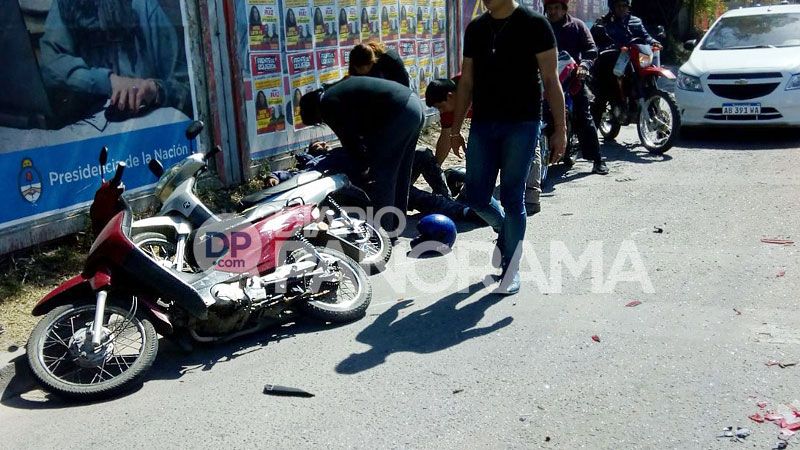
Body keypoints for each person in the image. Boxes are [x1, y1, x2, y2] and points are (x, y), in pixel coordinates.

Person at [447, 0, 567, 295]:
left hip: (522, 124)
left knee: (513, 197)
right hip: (483, 124)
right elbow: (466, 82)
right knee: (476, 196)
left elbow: (551, 80)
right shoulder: (476, 28)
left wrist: (560, 130)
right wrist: (455, 128)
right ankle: (505, 229)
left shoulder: (535, 25)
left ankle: (511, 269)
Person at [299, 76, 424, 234]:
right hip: (413, 106)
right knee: (401, 172)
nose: (322, 121)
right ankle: (396, 226)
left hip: (399, 112)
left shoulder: (328, 104)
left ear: (315, 111)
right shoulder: (335, 91)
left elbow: (350, 143)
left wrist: (362, 173)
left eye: (319, 120)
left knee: (383, 176)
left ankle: (383, 232)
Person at [39, 0, 192, 121]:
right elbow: (50, 65)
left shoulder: (145, 7)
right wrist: (108, 82)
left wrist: (156, 90)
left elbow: (188, 88)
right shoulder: (67, 5)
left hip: (148, 132)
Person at [426, 77, 543, 213]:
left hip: (518, 109)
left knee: (527, 149)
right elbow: (446, 137)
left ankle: (532, 198)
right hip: (489, 121)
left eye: (440, 107)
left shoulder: (479, 87)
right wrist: (436, 169)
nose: (441, 111)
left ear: (450, 96)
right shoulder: (449, 105)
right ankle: (471, 193)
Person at [544, 0, 608, 175]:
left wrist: (584, 66)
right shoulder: (542, 27)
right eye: (549, 8)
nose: (552, 11)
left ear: (564, 9)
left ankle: (597, 159)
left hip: (573, 79)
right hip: (547, 79)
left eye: (556, 8)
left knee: (584, 116)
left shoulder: (577, 26)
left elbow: (591, 49)